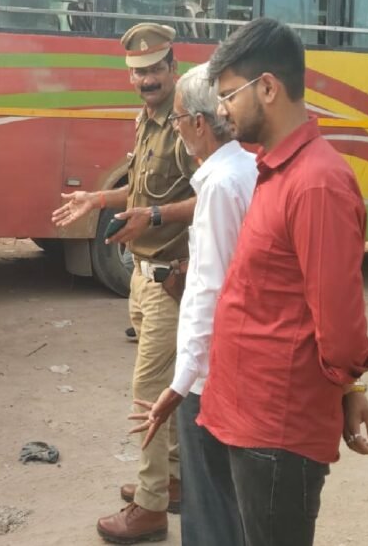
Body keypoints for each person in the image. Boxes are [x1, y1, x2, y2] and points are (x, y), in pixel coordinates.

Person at [195, 18, 368, 546]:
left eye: (229, 95)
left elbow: (339, 324)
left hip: (277, 431)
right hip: (249, 414)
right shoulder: (277, 169)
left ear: (269, 88)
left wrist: (351, 385)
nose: (222, 111)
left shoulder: (317, 183)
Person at [52, 24, 197, 544]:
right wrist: (96, 199)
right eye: (138, 73)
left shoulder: (185, 126)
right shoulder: (147, 121)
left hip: (170, 280)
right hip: (142, 275)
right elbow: (138, 189)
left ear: (173, 69)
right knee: (165, 387)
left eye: (155, 70)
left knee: (147, 393)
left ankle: (151, 506)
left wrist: (155, 216)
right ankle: (171, 479)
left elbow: (213, 195)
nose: (146, 80)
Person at [128, 64, 257, 545]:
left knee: (208, 506)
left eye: (180, 119)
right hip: (231, 362)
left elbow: (209, 291)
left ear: (199, 123)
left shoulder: (221, 185)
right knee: (223, 496)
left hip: (210, 372)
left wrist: (181, 385)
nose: (177, 127)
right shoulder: (243, 169)